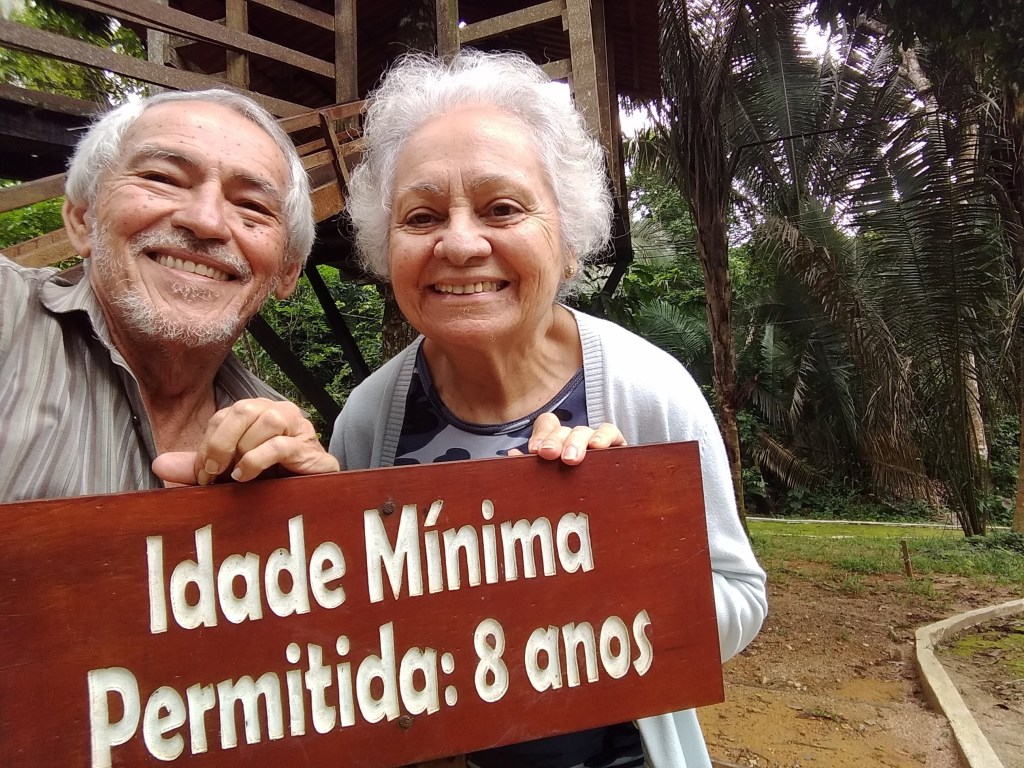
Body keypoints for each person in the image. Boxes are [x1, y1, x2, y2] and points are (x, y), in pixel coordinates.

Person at [328, 50, 768, 768]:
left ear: (567, 239)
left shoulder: (647, 390)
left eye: (502, 208)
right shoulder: (368, 420)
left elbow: (741, 598)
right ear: (387, 246)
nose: (460, 243)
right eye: (422, 216)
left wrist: (625, 563)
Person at [0, 88, 340, 502]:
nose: (206, 221)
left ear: (287, 272)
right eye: (161, 179)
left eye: (253, 205)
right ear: (82, 220)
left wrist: (320, 506)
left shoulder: (277, 442)